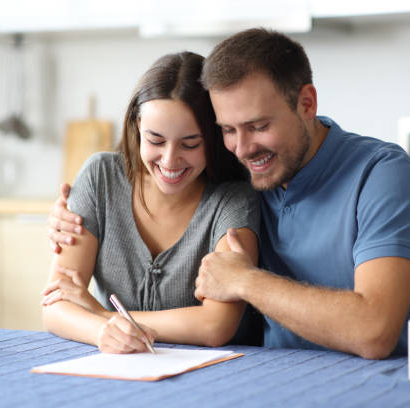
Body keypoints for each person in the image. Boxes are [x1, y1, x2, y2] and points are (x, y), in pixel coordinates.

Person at [49, 29, 410, 360]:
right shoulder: (249, 175)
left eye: (258, 125)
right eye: (228, 130)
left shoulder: (381, 173)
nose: (243, 148)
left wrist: (245, 281)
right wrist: (67, 215)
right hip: (269, 378)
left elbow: (374, 331)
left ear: (307, 104)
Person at [42, 51, 260, 354]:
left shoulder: (234, 199)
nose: (170, 160)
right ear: (136, 127)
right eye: (155, 140)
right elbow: (56, 302)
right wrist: (100, 332)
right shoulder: (100, 177)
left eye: (190, 144)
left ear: (212, 137)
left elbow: (214, 326)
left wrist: (105, 315)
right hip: (123, 365)